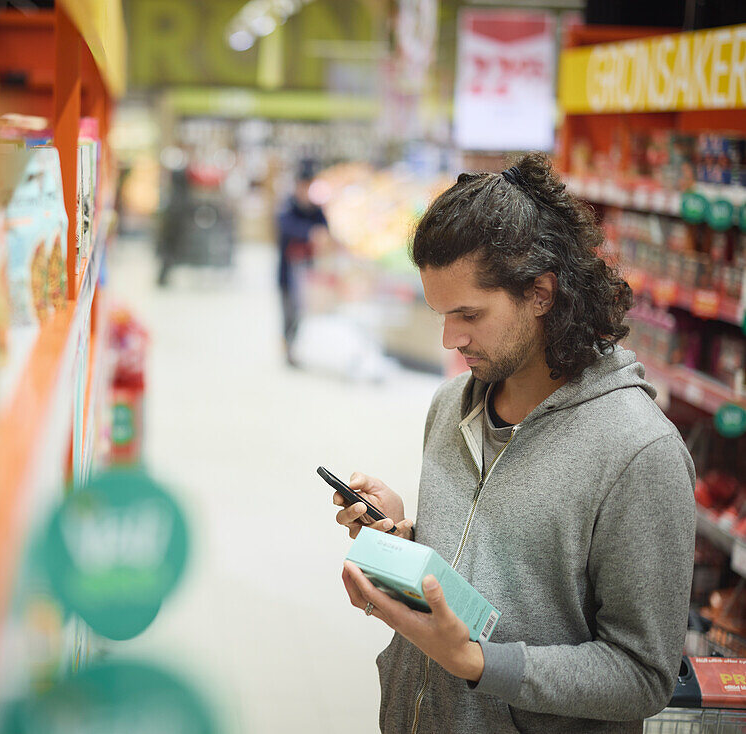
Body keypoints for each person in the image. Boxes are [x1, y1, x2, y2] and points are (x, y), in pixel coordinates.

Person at [332, 152, 695, 733]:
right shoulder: (451, 405)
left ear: (542, 293)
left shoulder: (639, 452)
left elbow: (642, 675)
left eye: (469, 314)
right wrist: (404, 540)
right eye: (441, 314)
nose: (451, 338)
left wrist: (476, 663)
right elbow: (499, 569)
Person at [276, 160, 331, 367]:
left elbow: (326, 230)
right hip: (287, 272)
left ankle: (292, 346)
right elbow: (286, 227)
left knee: (300, 311)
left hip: (307, 272)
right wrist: (310, 233)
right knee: (289, 310)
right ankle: (287, 346)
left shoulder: (316, 210)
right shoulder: (287, 207)